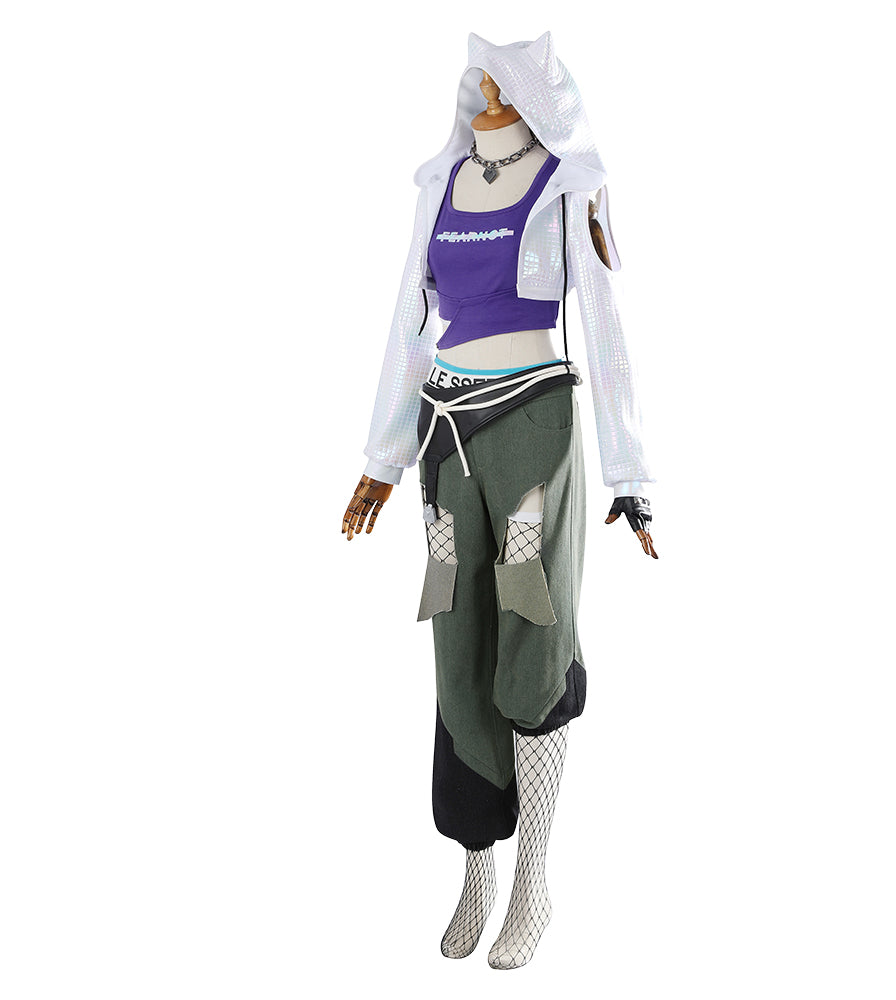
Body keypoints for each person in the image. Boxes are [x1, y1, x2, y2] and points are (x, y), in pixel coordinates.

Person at [342, 32, 656, 969]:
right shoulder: (439, 186)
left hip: (532, 431)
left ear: (539, 89)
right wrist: (383, 457)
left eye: (505, 77)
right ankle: (477, 866)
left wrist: (629, 473)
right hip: (445, 435)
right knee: (455, 636)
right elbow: (410, 317)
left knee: (532, 632)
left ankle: (536, 879)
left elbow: (603, 320)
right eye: (477, 76)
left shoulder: (568, 185)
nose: (486, 90)